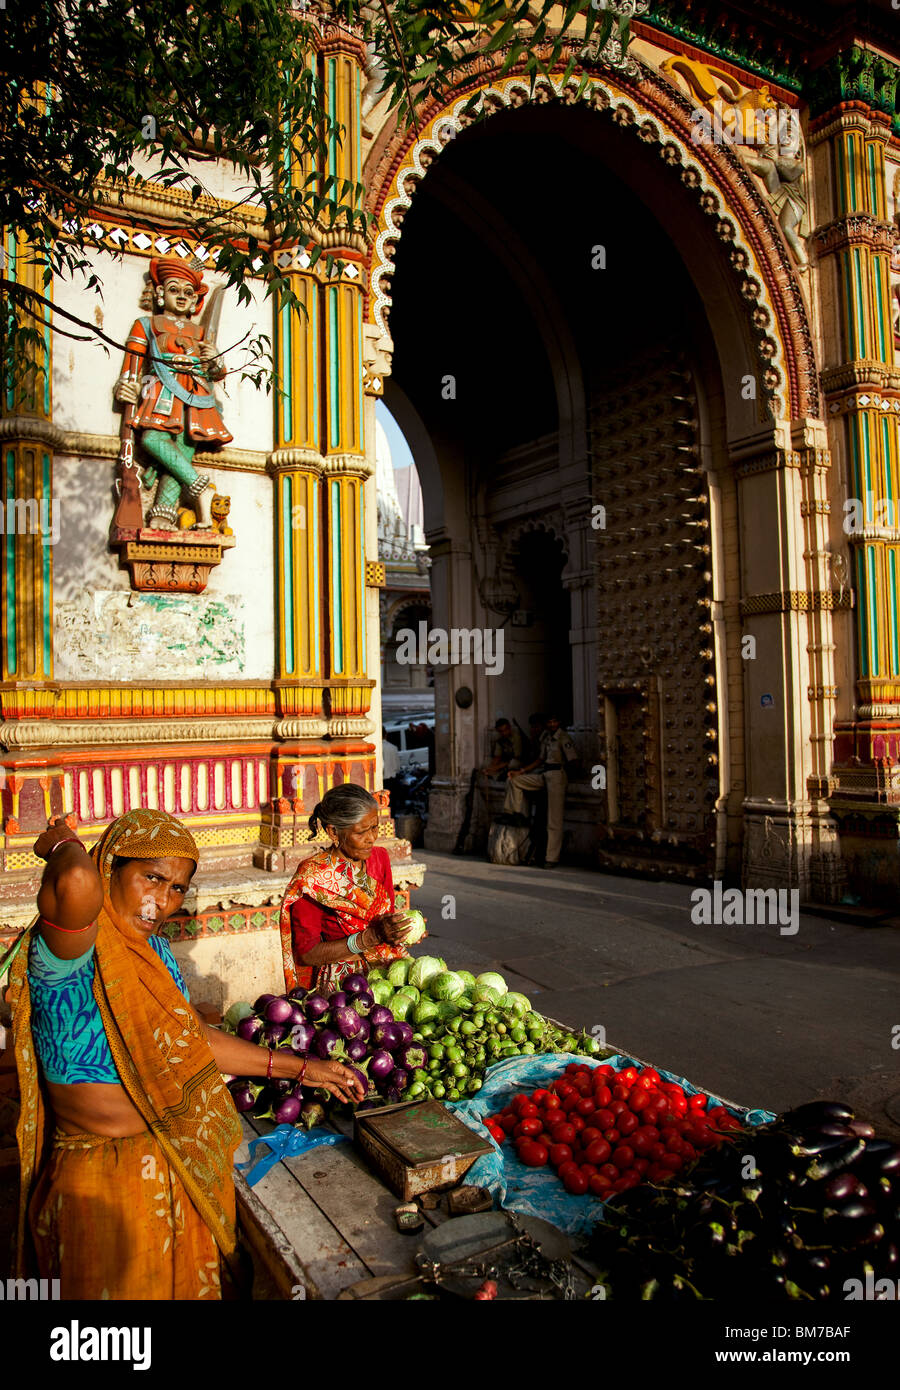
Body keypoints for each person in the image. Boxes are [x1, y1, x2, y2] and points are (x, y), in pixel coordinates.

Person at [8, 808, 363, 1301]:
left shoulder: (156, 955)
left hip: (177, 1163)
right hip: (101, 1185)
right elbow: (72, 880)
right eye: (151, 878)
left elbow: (195, 1040)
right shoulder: (67, 954)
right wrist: (64, 841)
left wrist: (305, 1069)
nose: (162, 901)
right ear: (109, 866)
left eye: (177, 888)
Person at [114, 256, 232, 530]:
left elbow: (216, 371)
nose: (181, 297)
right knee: (153, 440)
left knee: (181, 451)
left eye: (188, 293)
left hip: (195, 397)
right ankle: (201, 488)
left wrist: (214, 359)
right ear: (159, 294)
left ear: (194, 302)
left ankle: (162, 515)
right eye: (174, 289)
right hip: (160, 393)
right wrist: (127, 384)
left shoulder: (200, 333)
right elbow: (133, 361)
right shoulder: (147, 325)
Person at [281, 784, 414, 995]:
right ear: (333, 831)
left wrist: (401, 930)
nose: (371, 838)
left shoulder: (379, 858)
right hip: (345, 984)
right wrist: (369, 938)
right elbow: (307, 953)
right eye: (361, 832)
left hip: (390, 970)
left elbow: (385, 916)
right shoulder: (313, 877)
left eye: (375, 827)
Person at [503, 712, 579, 869]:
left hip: (557, 776)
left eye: (554, 721)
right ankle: (517, 814)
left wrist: (566, 779)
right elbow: (540, 760)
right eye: (549, 722)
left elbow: (573, 760)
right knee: (515, 781)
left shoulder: (563, 738)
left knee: (554, 820)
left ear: (558, 722)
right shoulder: (546, 738)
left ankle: (551, 857)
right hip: (544, 774)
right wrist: (521, 771)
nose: (552, 725)